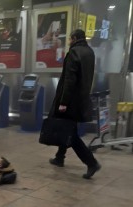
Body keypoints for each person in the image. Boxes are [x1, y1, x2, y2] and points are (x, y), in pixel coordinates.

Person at [48, 29, 101, 179]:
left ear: (75, 38)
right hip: (81, 99)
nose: (69, 41)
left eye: (70, 39)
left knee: (70, 134)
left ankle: (91, 163)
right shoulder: (89, 52)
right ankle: (60, 157)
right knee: (67, 128)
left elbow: (69, 80)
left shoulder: (73, 53)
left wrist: (63, 102)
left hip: (70, 100)